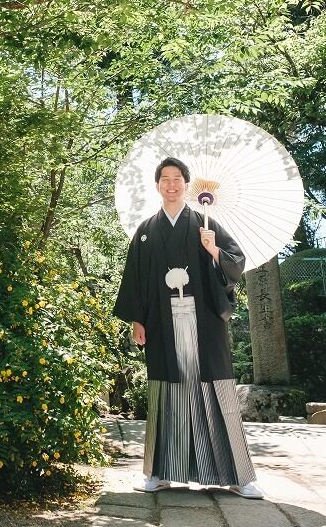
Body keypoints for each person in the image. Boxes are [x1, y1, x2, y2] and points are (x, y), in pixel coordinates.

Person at [113, 157, 264, 499]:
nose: (171, 184)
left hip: (204, 321)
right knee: (167, 390)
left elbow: (235, 261)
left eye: (177, 178)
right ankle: (161, 472)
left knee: (216, 390)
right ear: (157, 186)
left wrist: (213, 250)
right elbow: (135, 278)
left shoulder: (204, 223)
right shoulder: (147, 231)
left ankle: (237, 476)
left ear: (186, 184)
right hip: (162, 324)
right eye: (165, 178)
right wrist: (138, 319)